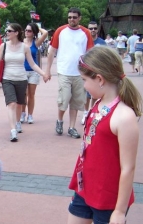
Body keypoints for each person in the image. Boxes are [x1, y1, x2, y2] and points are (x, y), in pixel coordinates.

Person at [65, 46, 143, 224]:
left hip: (110, 197)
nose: (84, 85)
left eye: (85, 80)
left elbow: (128, 168)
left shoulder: (124, 116)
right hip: (87, 187)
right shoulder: (98, 103)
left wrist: (119, 210)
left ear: (99, 79)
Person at [0, 23, 49, 142]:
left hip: (21, 79)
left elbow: (33, 64)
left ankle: (17, 122)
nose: (7, 33)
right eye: (7, 31)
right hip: (7, 78)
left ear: (16, 33)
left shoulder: (25, 47)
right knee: (11, 104)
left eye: (9, 31)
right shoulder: (4, 46)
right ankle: (13, 130)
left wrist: (43, 74)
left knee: (19, 104)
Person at [45, 7, 94, 138]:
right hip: (64, 71)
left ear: (79, 18)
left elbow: (90, 53)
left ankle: (71, 127)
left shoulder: (86, 32)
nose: (72, 19)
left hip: (80, 73)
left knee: (77, 101)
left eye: (74, 17)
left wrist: (90, 71)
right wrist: (47, 70)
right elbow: (52, 51)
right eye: (69, 17)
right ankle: (60, 121)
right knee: (64, 99)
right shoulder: (60, 31)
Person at [20, 23, 48, 124]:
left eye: (30, 31)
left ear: (33, 33)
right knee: (23, 94)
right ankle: (22, 113)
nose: (27, 32)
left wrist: (37, 27)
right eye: (26, 30)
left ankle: (30, 115)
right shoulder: (20, 42)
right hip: (22, 71)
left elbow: (45, 33)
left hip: (33, 71)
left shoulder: (35, 43)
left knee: (31, 94)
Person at [81, 21, 106, 125]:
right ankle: (85, 112)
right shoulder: (84, 41)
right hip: (87, 71)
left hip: (98, 71)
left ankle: (92, 112)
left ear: (97, 29)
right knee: (86, 94)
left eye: (95, 28)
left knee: (95, 94)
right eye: (90, 28)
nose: (93, 30)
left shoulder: (102, 42)